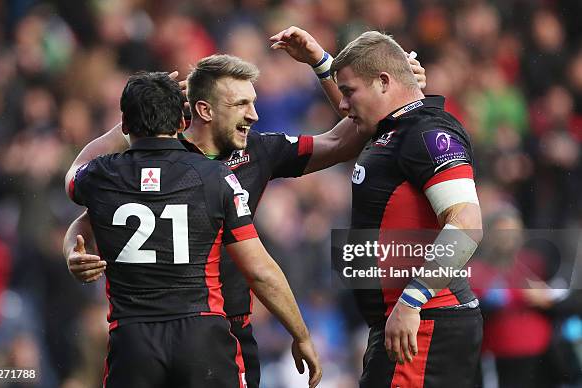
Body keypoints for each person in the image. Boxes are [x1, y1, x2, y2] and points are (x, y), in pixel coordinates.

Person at [63, 27, 426, 388]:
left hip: (227, 329)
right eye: (240, 104)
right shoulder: (159, 158)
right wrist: (142, 110)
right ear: (203, 110)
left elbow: (345, 139)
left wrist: (323, 64)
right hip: (190, 326)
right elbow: (85, 216)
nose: (253, 115)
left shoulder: (258, 151)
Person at [65, 71, 321, 388]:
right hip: (202, 338)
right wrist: (301, 334)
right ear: (181, 124)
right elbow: (259, 270)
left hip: (133, 340)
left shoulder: (102, 176)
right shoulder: (214, 176)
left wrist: (130, 117)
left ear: (127, 126)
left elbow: (74, 174)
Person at [330, 31, 483, 387]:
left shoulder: (428, 131)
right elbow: (342, 131)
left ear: (384, 82)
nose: (342, 105)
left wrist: (411, 300)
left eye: (349, 92)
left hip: (423, 322)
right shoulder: (391, 130)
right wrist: (322, 63)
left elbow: (467, 223)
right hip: (406, 322)